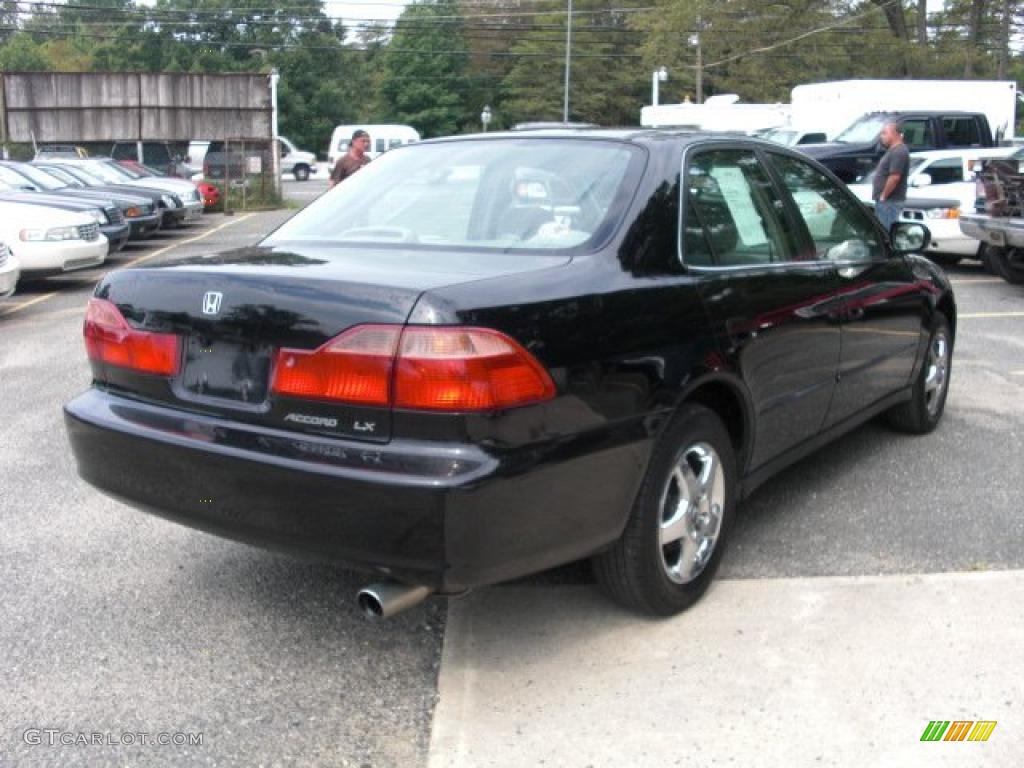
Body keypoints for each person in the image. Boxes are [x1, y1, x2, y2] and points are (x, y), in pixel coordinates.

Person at [872, 122, 910, 232]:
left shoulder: (899, 151)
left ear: (894, 134)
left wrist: (883, 196)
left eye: (884, 133)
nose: (881, 136)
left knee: (885, 233)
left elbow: (895, 177)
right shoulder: (893, 151)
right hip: (886, 202)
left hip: (890, 202)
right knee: (881, 231)